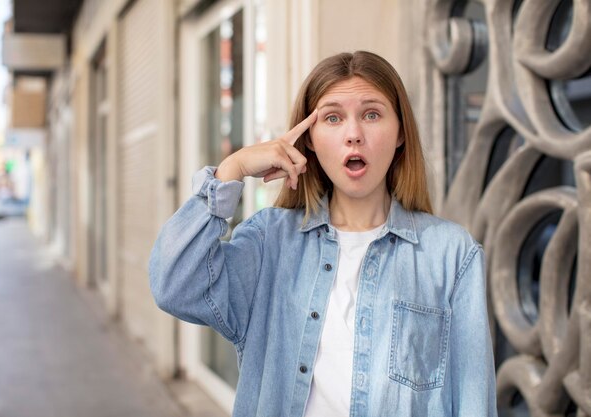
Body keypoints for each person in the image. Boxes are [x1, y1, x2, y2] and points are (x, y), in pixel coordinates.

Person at [149, 50, 497, 416]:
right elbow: (175, 285)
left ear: (399, 134)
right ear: (310, 139)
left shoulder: (452, 254)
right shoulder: (270, 242)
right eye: (332, 117)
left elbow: (474, 401)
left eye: (372, 114)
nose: (354, 135)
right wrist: (231, 170)